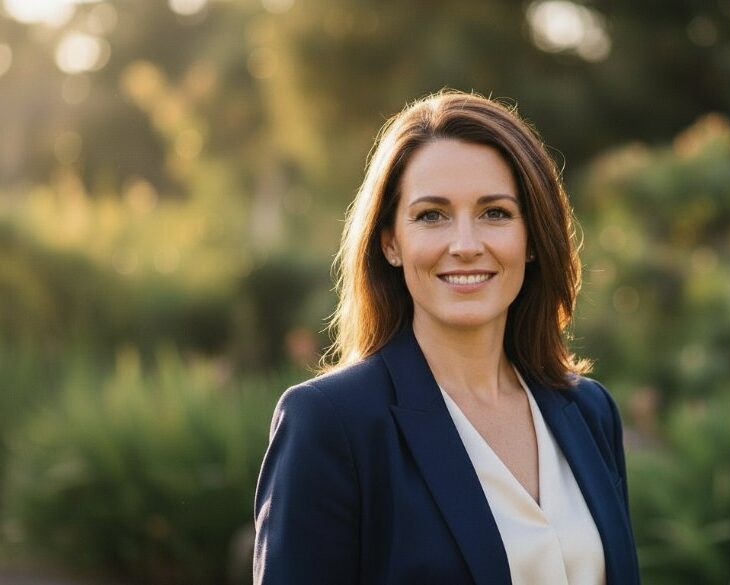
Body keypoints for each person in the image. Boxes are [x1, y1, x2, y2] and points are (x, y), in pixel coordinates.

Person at [253, 90, 640, 585]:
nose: (465, 245)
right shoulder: (332, 423)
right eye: (431, 215)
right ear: (391, 241)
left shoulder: (589, 411)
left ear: (532, 238)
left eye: (495, 213)